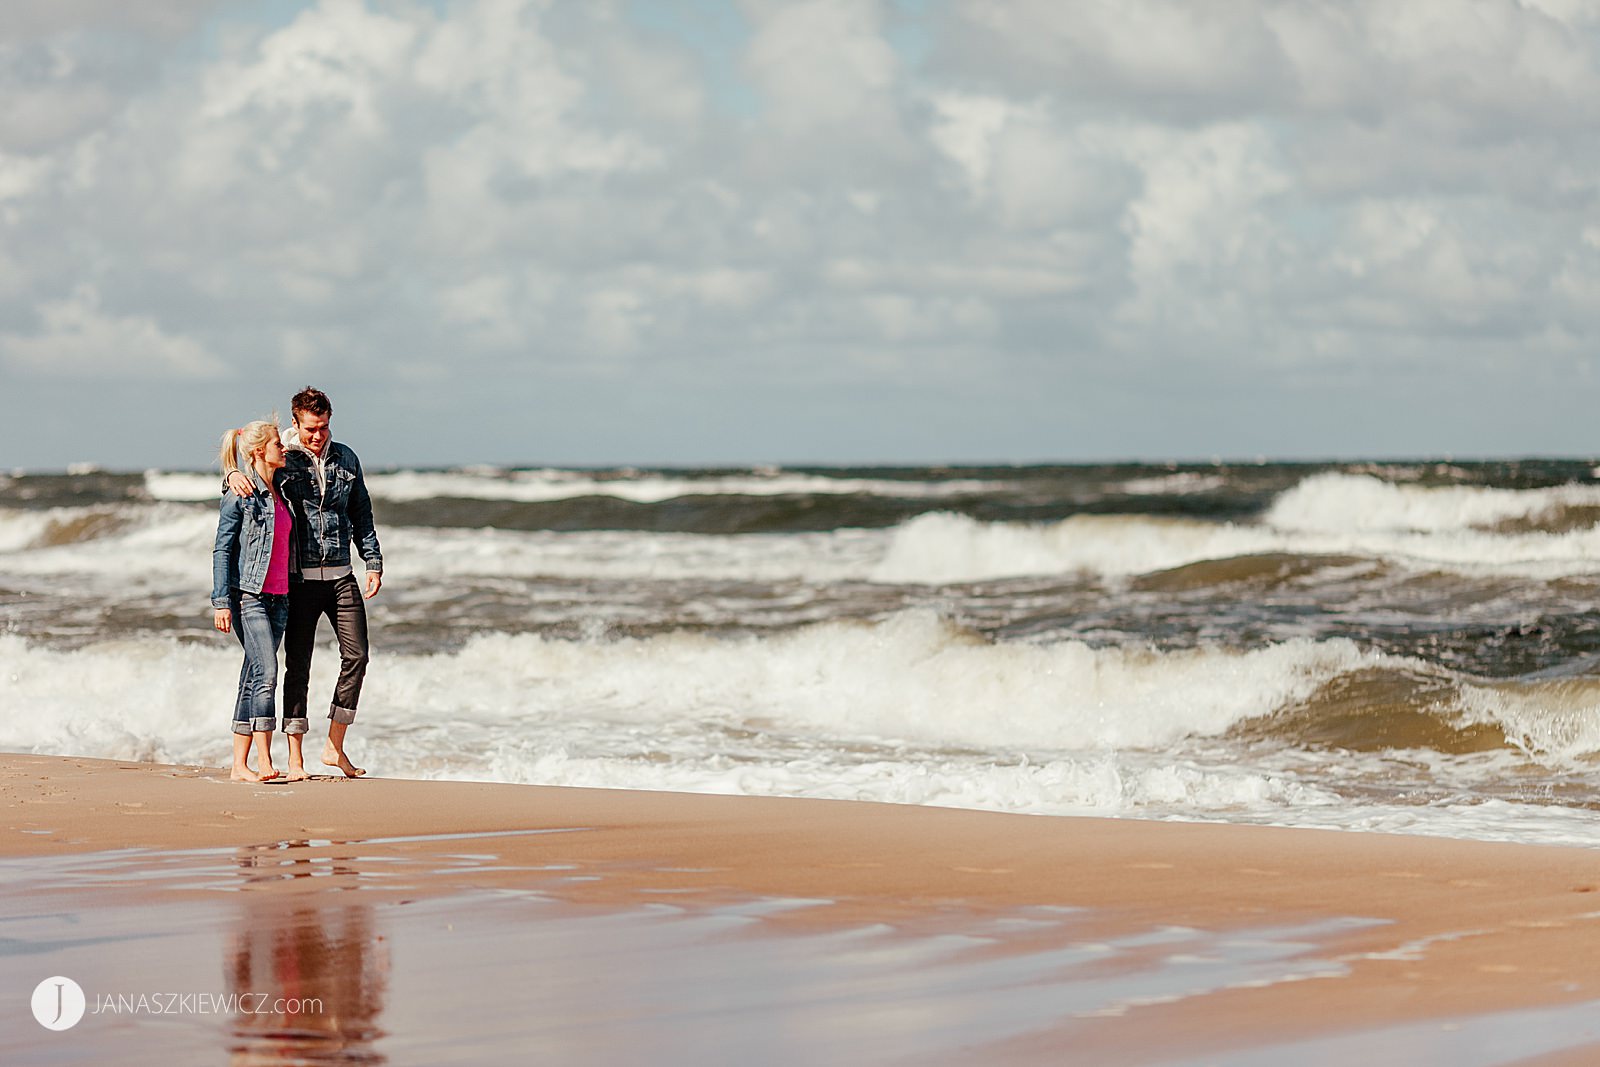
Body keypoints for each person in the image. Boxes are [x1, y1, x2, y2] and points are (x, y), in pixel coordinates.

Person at [226, 386, 382, 778]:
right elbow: (252, 477)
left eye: (325, 427)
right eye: (311, 428)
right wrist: (229, 474)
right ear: (297, 424)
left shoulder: (346, 458)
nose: (318, 435)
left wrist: (373, 560)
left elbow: (361, 511)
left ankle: (334, 746)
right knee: (298, 667)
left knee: (357, 656)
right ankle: (295, 758)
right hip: (300, 580)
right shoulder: (286, 459)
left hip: (342, 575)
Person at [212, 420, 294, 783]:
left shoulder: (282, 491)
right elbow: (222, 549)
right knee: (268, 673)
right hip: (250, 598)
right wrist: (221, 602)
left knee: (252, 675)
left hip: (280, 599)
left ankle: (237, 766)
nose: (284, 449)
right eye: (277, 444)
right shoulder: (241, 493)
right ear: (260, 451)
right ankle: (263, 760)